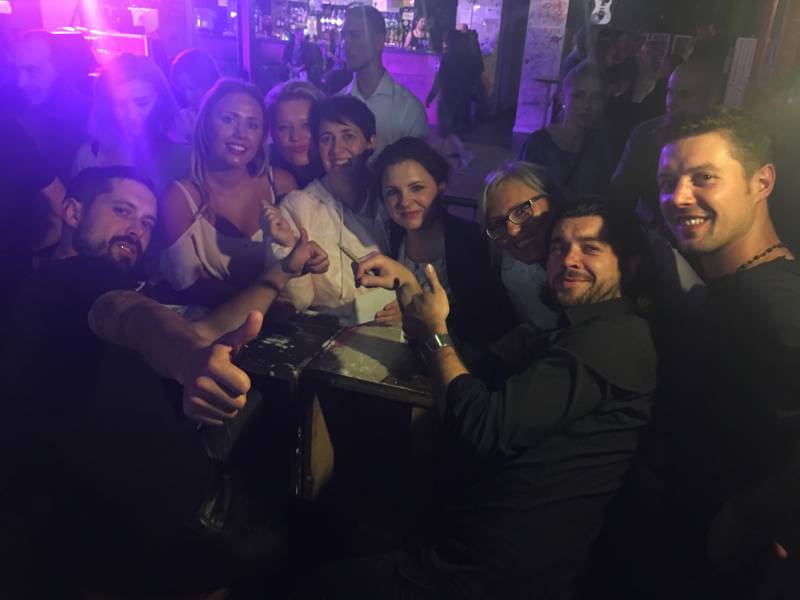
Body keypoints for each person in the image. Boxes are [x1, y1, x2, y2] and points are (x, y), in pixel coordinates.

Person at [0, 165, 328, 595]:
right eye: (122, 210)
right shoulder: (70, 278)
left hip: (167, 504)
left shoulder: (84, 285)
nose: (136, 230)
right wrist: (189, 359)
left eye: (146, 222)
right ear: (73, 212)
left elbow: (202, 330)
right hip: (153, 523)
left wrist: (283, 270)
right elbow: (125, 312)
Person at [304, 199, 657, 599]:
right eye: (559, 248)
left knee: (315, 585)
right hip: (469, 538)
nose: (569, 260)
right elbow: (479, 368)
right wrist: (409, 288)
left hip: (491, 572)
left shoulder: (611, 342)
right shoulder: (577, 331)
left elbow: (482, 427)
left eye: (591, 248)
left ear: (629, 265)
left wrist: (437, 333)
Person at [627, 108, 799, 598]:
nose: (678, 198)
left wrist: (753, 512)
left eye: (704, 178)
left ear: (761, 182)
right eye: (667, 182)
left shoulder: (774, 301)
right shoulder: (730, 287)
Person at [160, 79, 298, 307]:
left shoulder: (281, 185)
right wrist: (265, 300)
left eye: (253, 125)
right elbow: (189, 287)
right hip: (211, 323)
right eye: (228, 119)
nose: (241, 134)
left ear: (262, 137)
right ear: (205, 125)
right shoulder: (178, 199)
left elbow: (299, 263)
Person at [372, 136, 517, 343]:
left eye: (416, 188)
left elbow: (489, 323)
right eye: (392, 192)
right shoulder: (388, 238)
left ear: (440, 185)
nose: (404, 201)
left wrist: (414, 316)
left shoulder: (472, 241)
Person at [271, 95, 391, 322]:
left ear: (371, 142)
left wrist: (401, 302)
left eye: (348, 136)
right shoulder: (300, 206)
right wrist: (290, 251)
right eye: (327, 139)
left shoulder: (387, 198)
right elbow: (299, 301)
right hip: (327, 331)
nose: (337, 149)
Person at [610, 60, 722, 227]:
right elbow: (619, 195)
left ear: (711, 99)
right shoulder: (644, 135)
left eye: (684, 95)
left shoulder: (723, 144)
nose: (671, 102)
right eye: (669, 93)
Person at [72, 53, 191, 194]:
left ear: (161, 101)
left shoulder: (183, 156)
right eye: (119, 104)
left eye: (142, 103)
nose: (131, 115)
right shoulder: (89, 157)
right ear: (107, 107)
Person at [479, 161, 562, 332]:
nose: (512, 230)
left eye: (521, 211)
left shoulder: (596, 262)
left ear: (553, 201)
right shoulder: (516, 273)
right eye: (499, 224)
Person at [340, 4, 429, 158]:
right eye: (344, 36)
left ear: (378, 41)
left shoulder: (409, 111)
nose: (345, 45)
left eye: (354, 36)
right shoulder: (339, 102)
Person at [4, 30, 91, 185]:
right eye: (16, 71)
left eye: (32, 71)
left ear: (59, 70)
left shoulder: (88, 119)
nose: (21, 82)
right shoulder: (9, 114)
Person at [519, 60, 616, 199]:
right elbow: (521, 198)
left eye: (595, 97)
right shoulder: (538, 145)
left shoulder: (599, 146)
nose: (587, 105)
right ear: (562, 98)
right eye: (578, 96)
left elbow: (604, 197)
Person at [425, 30, 476, 165]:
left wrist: (430, 97)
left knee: (446, 132)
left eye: (446, 40)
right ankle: (449, 159)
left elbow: (439, 81)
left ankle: (458, 156)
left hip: (447, 99)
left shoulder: (447, 59)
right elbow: (471, 81)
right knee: (452, 131)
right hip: (461, 99)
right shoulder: (467, 58)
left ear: (449, 42)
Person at [265, 79, 326, 189]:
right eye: (284, 127)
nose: (295, 137)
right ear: (273, 134)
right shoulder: (261, 176)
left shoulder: (340, 170)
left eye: (306, 125)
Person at [169, 48, 220, 127]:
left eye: (192, 88)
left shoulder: (229, 112)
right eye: (183, 91)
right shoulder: (185, 119)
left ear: (209, 82)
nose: (188, 96)